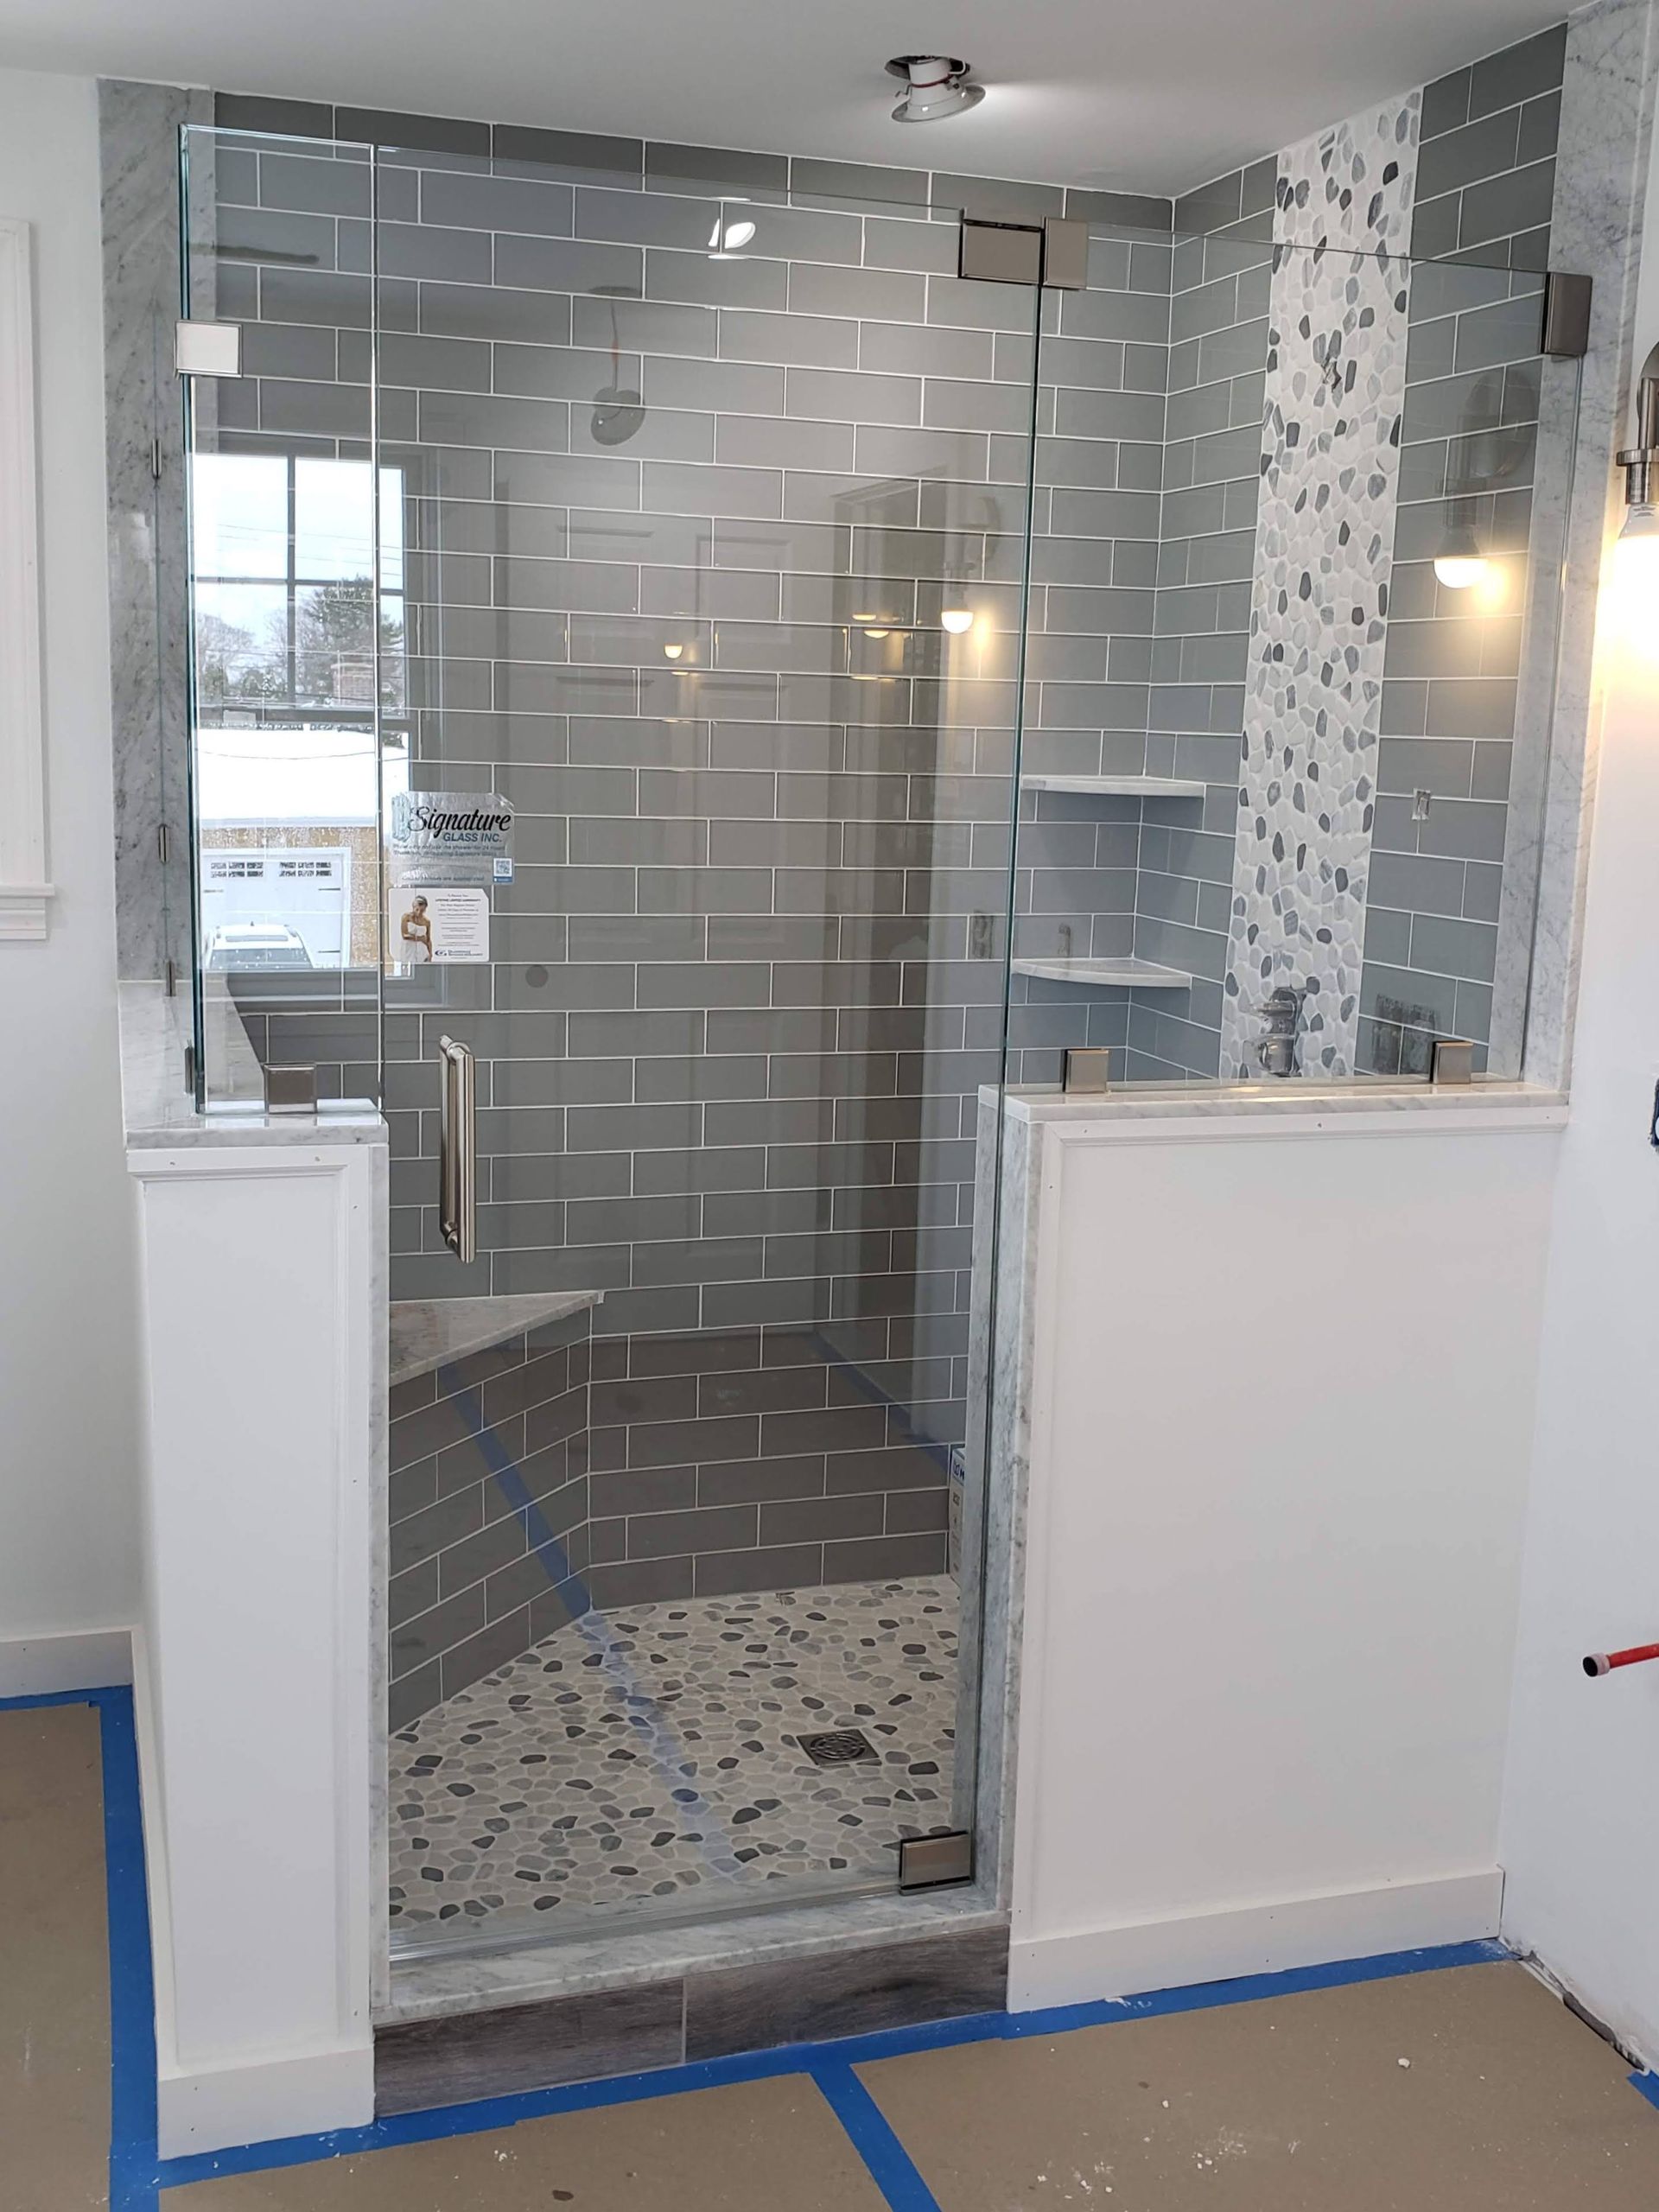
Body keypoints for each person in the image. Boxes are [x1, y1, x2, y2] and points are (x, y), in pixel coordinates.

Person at [399, 893, 433, 963]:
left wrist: (430, 954)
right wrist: (420, 938)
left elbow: (428, 940)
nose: (419, 912)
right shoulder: (406, 917)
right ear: (413, 907)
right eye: (417, 910)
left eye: (422, 910)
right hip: (408, 949)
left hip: (421, 950)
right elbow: (404, 935)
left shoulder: (427, 921)